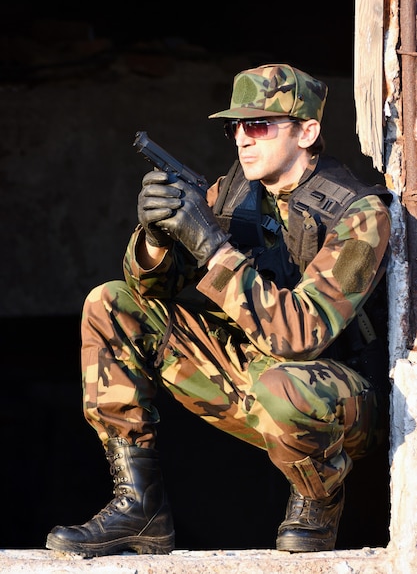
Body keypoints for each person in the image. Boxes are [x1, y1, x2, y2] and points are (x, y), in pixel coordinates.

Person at [46, 63, 391, 557]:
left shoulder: (359, 216)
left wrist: (211, 247)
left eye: (258, 126)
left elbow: (301, 336)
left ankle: (319, 498)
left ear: (307, 132)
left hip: (338, 402)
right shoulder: (231, 195)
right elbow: (147, 288)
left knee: (283, 385)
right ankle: (138, 507)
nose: (242, 141)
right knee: (109, 303)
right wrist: (155, 236)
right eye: (235, 128)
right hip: (249, 374)